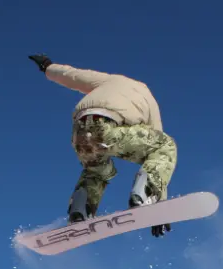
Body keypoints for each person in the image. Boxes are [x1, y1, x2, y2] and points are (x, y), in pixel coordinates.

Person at [28, 54, 178, 237]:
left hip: (80, 131)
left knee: (97, 170)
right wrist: (160, 207)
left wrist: (48, 67)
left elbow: (72, 75)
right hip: (106, 127)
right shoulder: (149, 100)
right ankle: (148, 194)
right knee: (165, 145)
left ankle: (80, 210)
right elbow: (157, 152)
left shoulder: (109, 81)